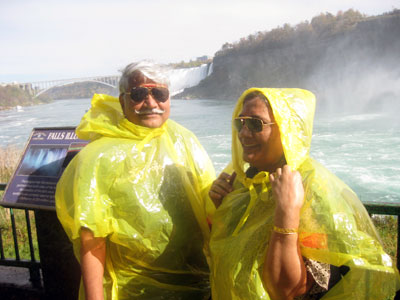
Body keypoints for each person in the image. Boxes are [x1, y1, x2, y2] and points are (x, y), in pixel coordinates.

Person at [208, 88, 400, 300]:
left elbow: (288, 291)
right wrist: (225, 207)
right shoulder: (248, 182)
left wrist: (287, 212)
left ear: (287, 130)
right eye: (240, 123)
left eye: (255, 123)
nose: (243, 133)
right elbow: (239, 253)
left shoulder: (314, 191)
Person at [55, 61, 216, 300]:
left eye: (159, 93)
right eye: (139, 94)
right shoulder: (98, 158)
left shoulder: (184, 140)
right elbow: (92, 241)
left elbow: (210, 205)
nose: (151, 103)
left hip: (195, 283)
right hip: (129, 289)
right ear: (122, 101)